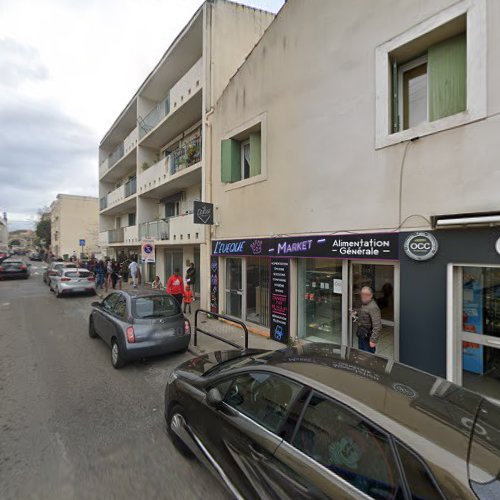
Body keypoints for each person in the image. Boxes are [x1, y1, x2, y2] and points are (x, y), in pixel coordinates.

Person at [352, 286, 382, 354]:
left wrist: (373, 340)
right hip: (362, 335)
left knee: (368, 358)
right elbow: (365, 316)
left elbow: (377, 326)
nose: (364, 296)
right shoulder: (365, 304)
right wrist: (356, 313)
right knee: (361, 355)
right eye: (362, 294)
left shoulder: (373, 307)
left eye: (366, 294)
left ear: (371, 295)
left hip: (368, 338)